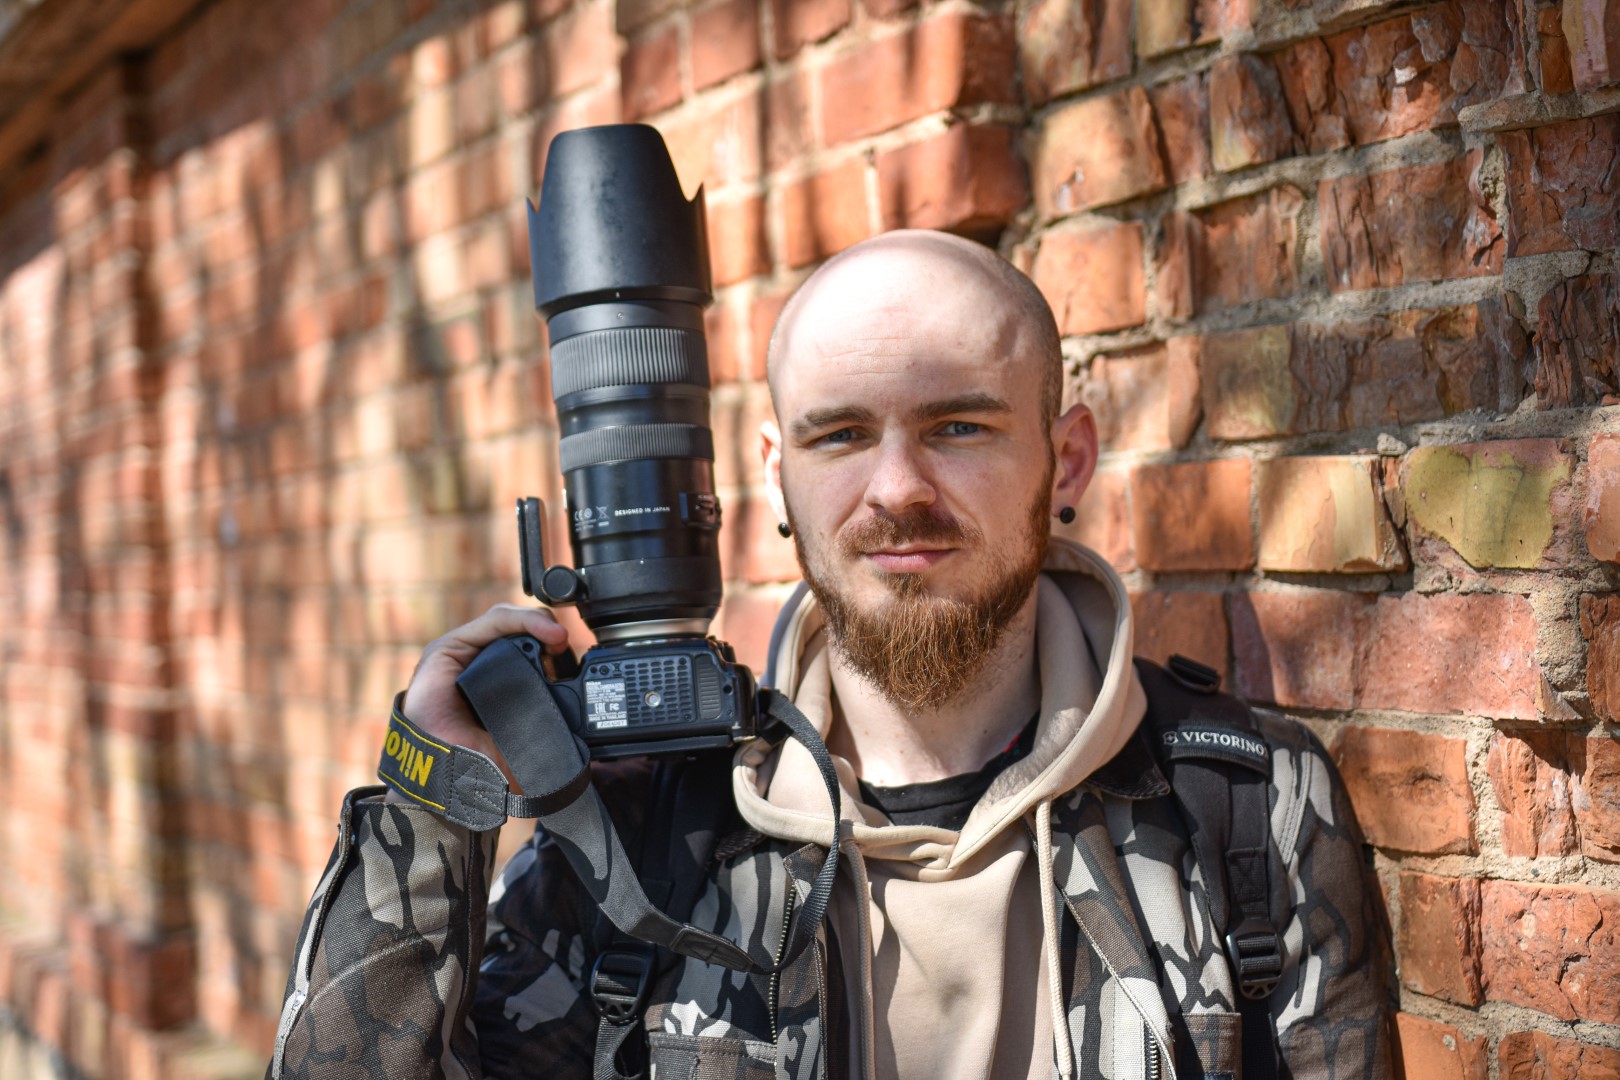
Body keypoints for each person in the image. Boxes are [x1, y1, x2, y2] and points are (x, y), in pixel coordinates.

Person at [269, 231, 1394, 1080]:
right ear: (775, 476)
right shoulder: (644, 835)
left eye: (959, 426)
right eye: (841, 435)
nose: (897, 489)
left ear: (1067, 457)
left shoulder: (1245, 807)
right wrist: (431, 806)